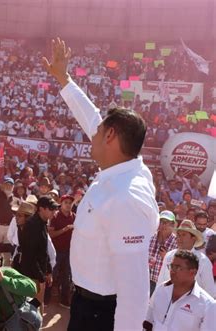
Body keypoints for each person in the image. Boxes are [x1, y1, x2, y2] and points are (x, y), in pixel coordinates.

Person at [43, 37, 159, 330]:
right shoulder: (125, 170)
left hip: (102, 314)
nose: (91, 134)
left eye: (99, 131)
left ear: (110, 137)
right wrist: (64, 80)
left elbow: (134, 290)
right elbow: (92, 118)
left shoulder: (127, 196)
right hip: (88, 306)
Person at [144, 250, 216, 331]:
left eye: (178, 267)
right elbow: (148, 321)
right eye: (171, 266)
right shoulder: (161, 289)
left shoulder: (208, 305)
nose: (172, 271)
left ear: (192, 272)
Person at [17, 196, 58, 311]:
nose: (54, 211)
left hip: (38, 274)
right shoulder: (32, 225)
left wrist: (48, 271)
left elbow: (43, 251)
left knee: (37, 308)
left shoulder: (43, 223)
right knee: (32, 310)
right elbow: (30, 256)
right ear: (41, 209)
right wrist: (41, 278)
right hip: (31, 276)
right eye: (51, 209)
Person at [157, 220, 216, 298]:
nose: (179, 238)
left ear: (193, 238)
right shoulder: (169, 256)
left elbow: (210, 293)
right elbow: (160, 283)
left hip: (192, 307)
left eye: (183, 235)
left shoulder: (203, 261)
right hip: (167, 303)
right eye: (178, 235)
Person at [48, 194, 75, 308]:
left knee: (66, 276)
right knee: (52, 274)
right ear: (61, 203)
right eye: (66, 202)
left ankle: (64, 300)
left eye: (70, 203)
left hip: (69, 251)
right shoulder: (55, 216)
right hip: (56, 251)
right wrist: (65, 229)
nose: (68, 205)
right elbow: (51, 234)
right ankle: (45, 300)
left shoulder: (74, 216)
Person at [148, 210, 178, 295]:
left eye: (166, 222)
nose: (163, 224)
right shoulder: (150, 236)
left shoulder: (176, 242)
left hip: (164, 283)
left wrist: (167, 257)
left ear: (173, 224)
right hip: (146, 280)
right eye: (161, 221)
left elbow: (177, 265)